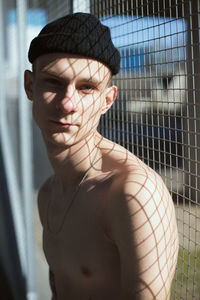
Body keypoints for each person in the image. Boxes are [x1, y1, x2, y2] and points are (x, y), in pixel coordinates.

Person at [24, 12, 179, 300]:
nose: (68, 103)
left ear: (107, 100)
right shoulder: (48, 192)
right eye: (54, 82)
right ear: (30, 86)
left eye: (87, 87)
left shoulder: (133, 193)